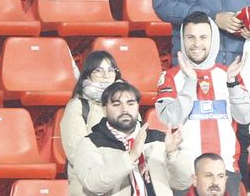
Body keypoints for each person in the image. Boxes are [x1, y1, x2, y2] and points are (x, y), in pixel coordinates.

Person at [155, 14, 250, 196]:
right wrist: (189, 83)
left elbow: (245, 116)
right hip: (186, 172)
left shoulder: (229, 74)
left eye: (203, 37)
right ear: (182, 39)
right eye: (190, 37)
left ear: (214, 39)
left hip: (225, 171)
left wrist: (232, 84)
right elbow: (169, 117)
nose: (197, 44)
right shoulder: (170, 76)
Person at [67, 82, 190, 196]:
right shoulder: (91, 143)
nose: (124, 109)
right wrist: (130, 157)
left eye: (130, 103)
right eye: (116, 104)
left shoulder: (158, 139)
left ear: (137, 106)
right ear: (104, 110)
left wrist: (173, 154)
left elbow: (183, 184)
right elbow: (92, 183)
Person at [63, 52, 123, 196]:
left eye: (110, 70)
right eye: (98, 70)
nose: (106, 75)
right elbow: (76, 153)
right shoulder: (77, 106)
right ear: (88, 75)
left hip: (122, 184)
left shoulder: (127, 105)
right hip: (88, 185)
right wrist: (109, 172)